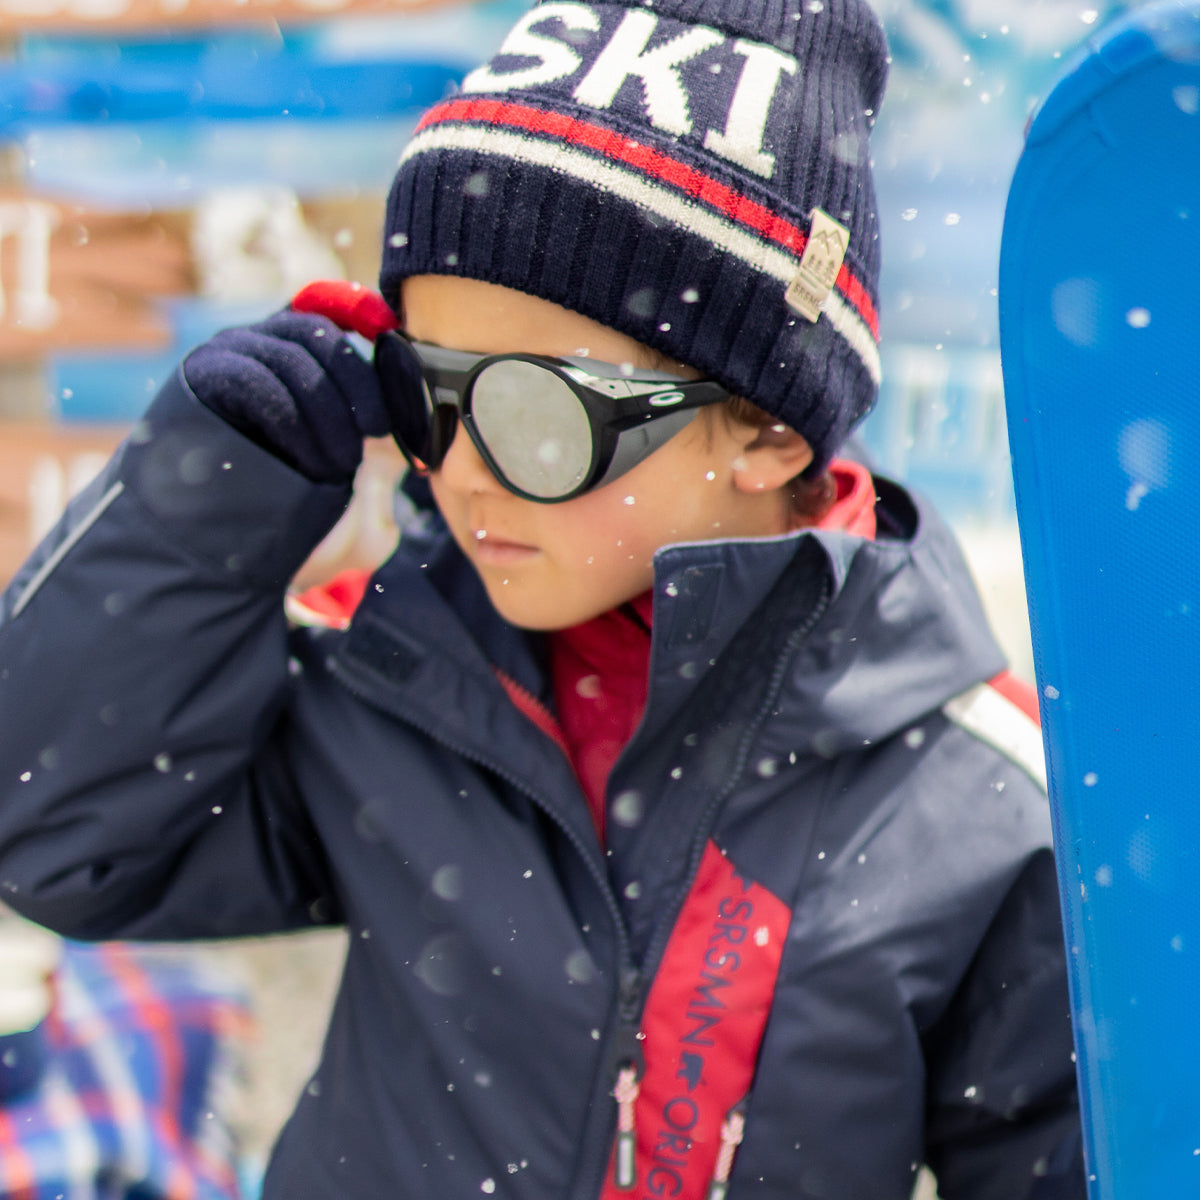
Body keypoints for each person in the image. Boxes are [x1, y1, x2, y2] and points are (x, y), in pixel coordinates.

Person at [0, 1, 1084, 1197]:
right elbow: (55, 836)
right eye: (426, 392)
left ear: (769, 430)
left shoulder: (974, 803)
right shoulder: (398, 667)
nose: (460, 473)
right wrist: (201, 500)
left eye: (535, 414)